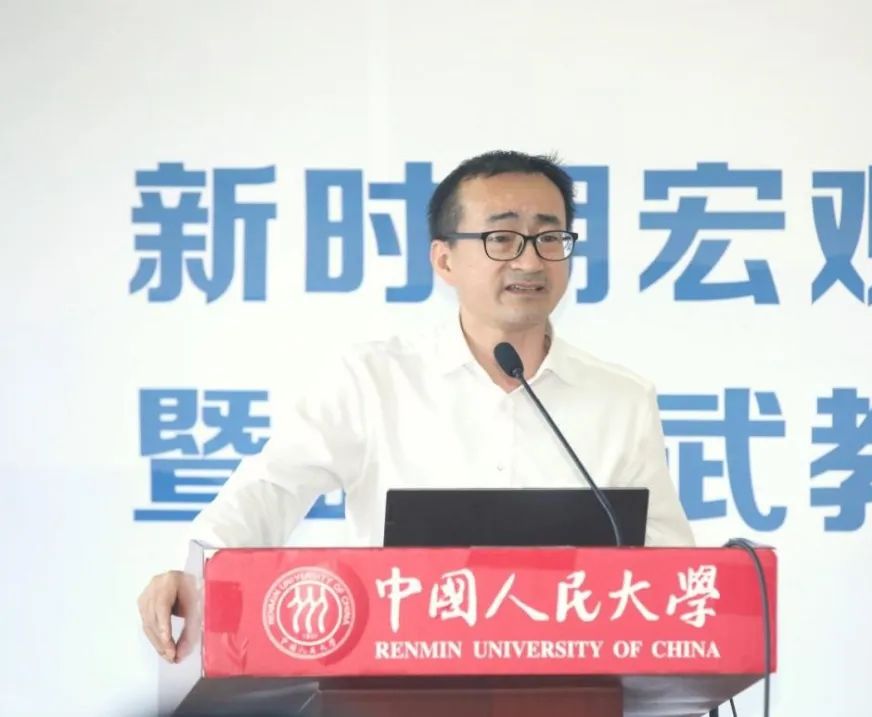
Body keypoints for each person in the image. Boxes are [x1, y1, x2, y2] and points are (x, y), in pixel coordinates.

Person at [136, 150, 694, 663]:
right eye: (502, 238)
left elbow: (670, 562)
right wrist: (198, 573)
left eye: (549, 237)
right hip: (395, 677)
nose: (529, 260)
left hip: (572, 683)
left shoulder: (622, 399)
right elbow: (273, 485)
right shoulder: (373, 379)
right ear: (444, 260)